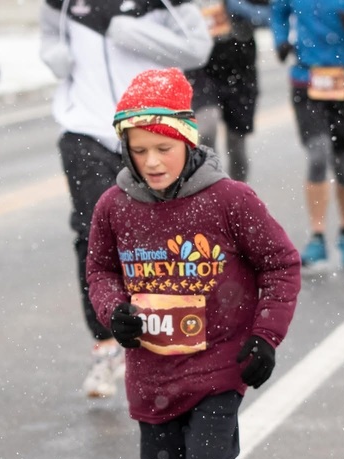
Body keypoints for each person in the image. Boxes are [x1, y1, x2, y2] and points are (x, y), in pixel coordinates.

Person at [86, 68, 301, 459]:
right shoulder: (114, 206)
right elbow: (101, 269)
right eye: (140, 151)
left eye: (164, 147)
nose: (153, 162)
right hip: (151, 371)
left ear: (187, 140)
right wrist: (115, 313)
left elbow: (280, 264)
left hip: (217, 363)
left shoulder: (230, 200)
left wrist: (265, 336)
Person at [39, 0, 213, 399]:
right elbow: (50, 35)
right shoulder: (63, 2)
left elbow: (196, 48)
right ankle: (105, 341)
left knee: (161, 236)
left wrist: (123, 30)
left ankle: (172, 338)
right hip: (85, 129)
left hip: (150, 130)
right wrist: (56, 57)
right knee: (92, 232)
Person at [271, 0, 344, 271]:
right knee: (318, 153)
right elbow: (278, 12)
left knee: (343, 165)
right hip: (307, 81)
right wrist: (281, 40)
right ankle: (317, 237)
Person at [186, 0, 271, 181]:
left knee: (237, 144)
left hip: (241, 70)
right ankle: (213, 187)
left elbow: (269, 16)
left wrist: (235, 6)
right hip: (202, 69)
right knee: (207, 129)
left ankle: (237, 197)